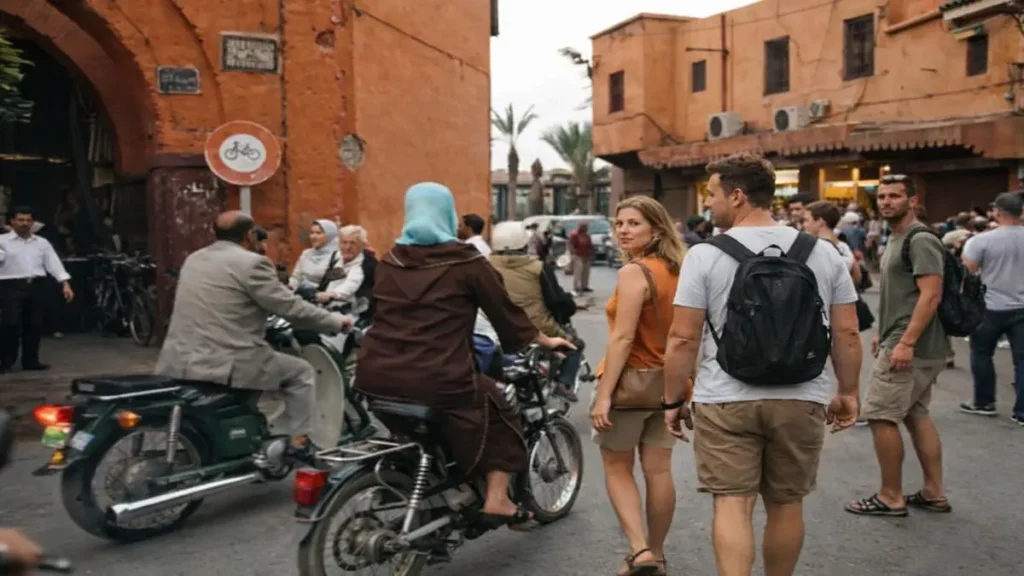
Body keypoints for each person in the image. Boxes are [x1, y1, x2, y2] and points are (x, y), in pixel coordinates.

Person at [663, 153, 861, 576]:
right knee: (787, 504)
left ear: (737, 196)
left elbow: (683, 337)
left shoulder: (705, 255)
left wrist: (672, 398)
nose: (708, 204)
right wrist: (847, 391)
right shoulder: (823, 253)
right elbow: (846, 332)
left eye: (712, 194)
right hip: (801, 394)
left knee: (733, 503)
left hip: (725, 397)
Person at [355, 183, 573, 528]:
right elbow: (504, 313)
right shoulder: (466, 261)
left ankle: (435, 485)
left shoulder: (389, 261)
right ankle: (499, 499)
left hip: (375, 375)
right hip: (440, 377)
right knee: (501, 409)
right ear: (447, 214)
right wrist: (543, 340)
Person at [156, 211, 350, 458]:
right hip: (226, 359)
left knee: (268, 364)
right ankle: (300, 442)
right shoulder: (252, 263)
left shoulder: (194, 258)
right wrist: (336, 322)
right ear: (249, 235)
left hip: (181, 355)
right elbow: (289, 307)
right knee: (300, 372)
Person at [589, 196, 686, 576]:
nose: (624, 231)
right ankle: (658, 554)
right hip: (669, 385)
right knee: (659, 472)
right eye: (620, 223)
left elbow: (623, 339)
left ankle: (640, 549)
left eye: (634, 223)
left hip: (630, 385)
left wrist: (604, 394)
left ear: (656, 229)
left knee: (617, 467)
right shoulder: (680, 270)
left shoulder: (635, 273)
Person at [846, 174, 952, 517]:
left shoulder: (920, 239)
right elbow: (903, 295)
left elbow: (931, 295)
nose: (887, 201)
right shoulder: (899, 236)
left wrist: (905, 342)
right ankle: (934, 492)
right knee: (915, 414)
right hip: (905, 339)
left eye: (895, 196)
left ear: (912, 198)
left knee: (879, 415)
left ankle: (891, 496)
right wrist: (884, 329)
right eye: (882, 197)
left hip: (912, 346)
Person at [489, 221, 582, 401]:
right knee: (575, 346)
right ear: (524, 244)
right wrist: (569, 307)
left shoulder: (484, 265)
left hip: (497, 330)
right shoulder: (538, 268)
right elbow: (556, 300)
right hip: (538, 330)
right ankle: (564, 384)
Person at [958, 192, 1024, 423]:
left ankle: (984, 401)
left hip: (990, 306)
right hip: (1022, 307)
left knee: (982, 353)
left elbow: (968, 271)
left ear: (996, 211)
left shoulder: (981, 240)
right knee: (1023, 359)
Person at [0, 207, 74, 373]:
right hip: (10, 284)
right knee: (9, 323)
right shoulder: (2, 241)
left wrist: (65, 283)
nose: (24, 224)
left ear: (32, 223)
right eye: (21, 220)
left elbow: (53, 263)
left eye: (28, 220)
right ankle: (5, 360)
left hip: (36, 284)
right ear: (12, 222)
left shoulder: (41, 243)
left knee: (33, 324)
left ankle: (31, 360)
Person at [289, 219, 344, 289]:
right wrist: (290, 288)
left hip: (322, 296)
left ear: (330, 235)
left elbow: (334, 284)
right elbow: (296, 277)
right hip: (300, 294)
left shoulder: (338, 255)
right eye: (311, 233)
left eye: (318, 233)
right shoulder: (306, 253)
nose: (313, 237)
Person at [569, 221, 593, 293]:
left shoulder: (587, 235)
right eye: (584, 227)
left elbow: (590, 246)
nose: (585, 228)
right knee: (578, 271)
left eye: (586, 227)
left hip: (586, 255)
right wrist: (573, 253)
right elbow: (571, 245)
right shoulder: (574, 235)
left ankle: (584, 286)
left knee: (586, 272)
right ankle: (576, 287)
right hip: (577, 255)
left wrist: (591, 255)